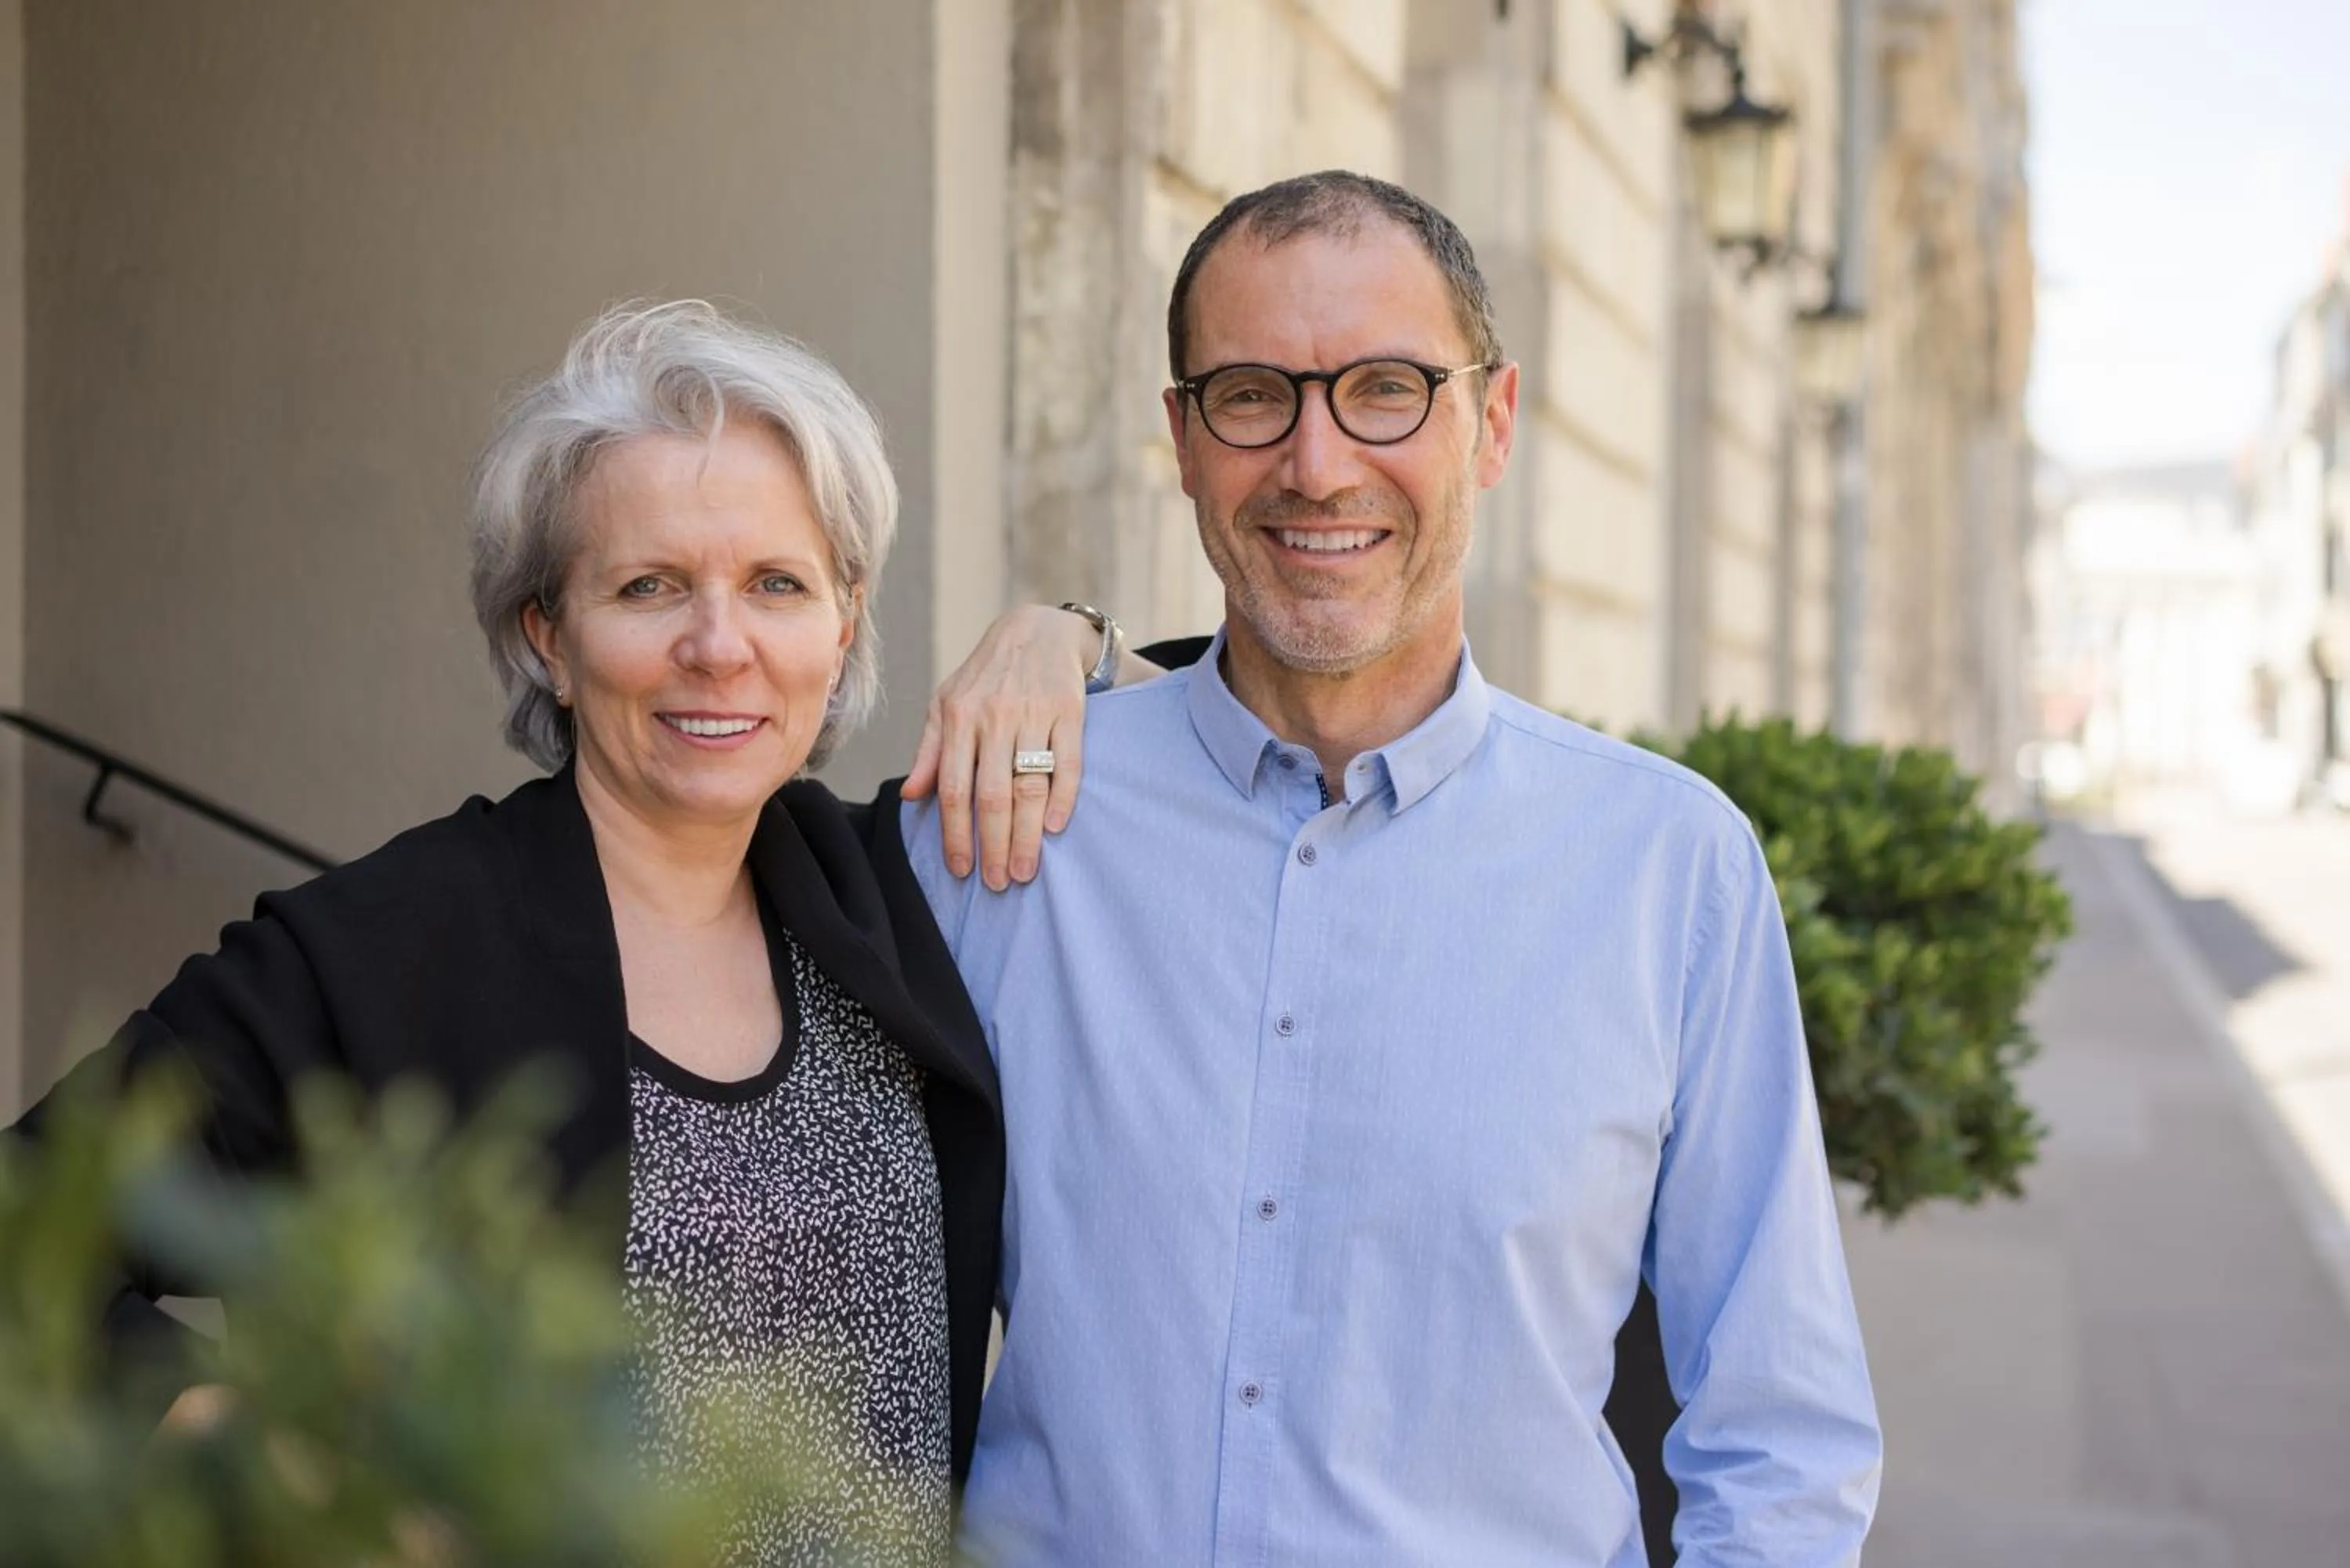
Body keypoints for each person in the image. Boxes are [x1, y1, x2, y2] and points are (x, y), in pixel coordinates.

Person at [9, 299, 1137, 1565]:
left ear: (843, 621)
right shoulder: (396, 939)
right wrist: (260, 1448)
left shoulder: (896, 885)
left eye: (776, 583)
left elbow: (1273, 732)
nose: (719, 647)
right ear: (548, 634)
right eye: (649, 586)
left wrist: (1068, 635)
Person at [901, 172, 1883, 1565]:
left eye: (1386, 390)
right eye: (1252, 394)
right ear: (1181, 440)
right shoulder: (1010, 824)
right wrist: (1057, 631)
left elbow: (1783, 1436)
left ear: (1491, 422)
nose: (1316, 462)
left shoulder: (1674, 875)